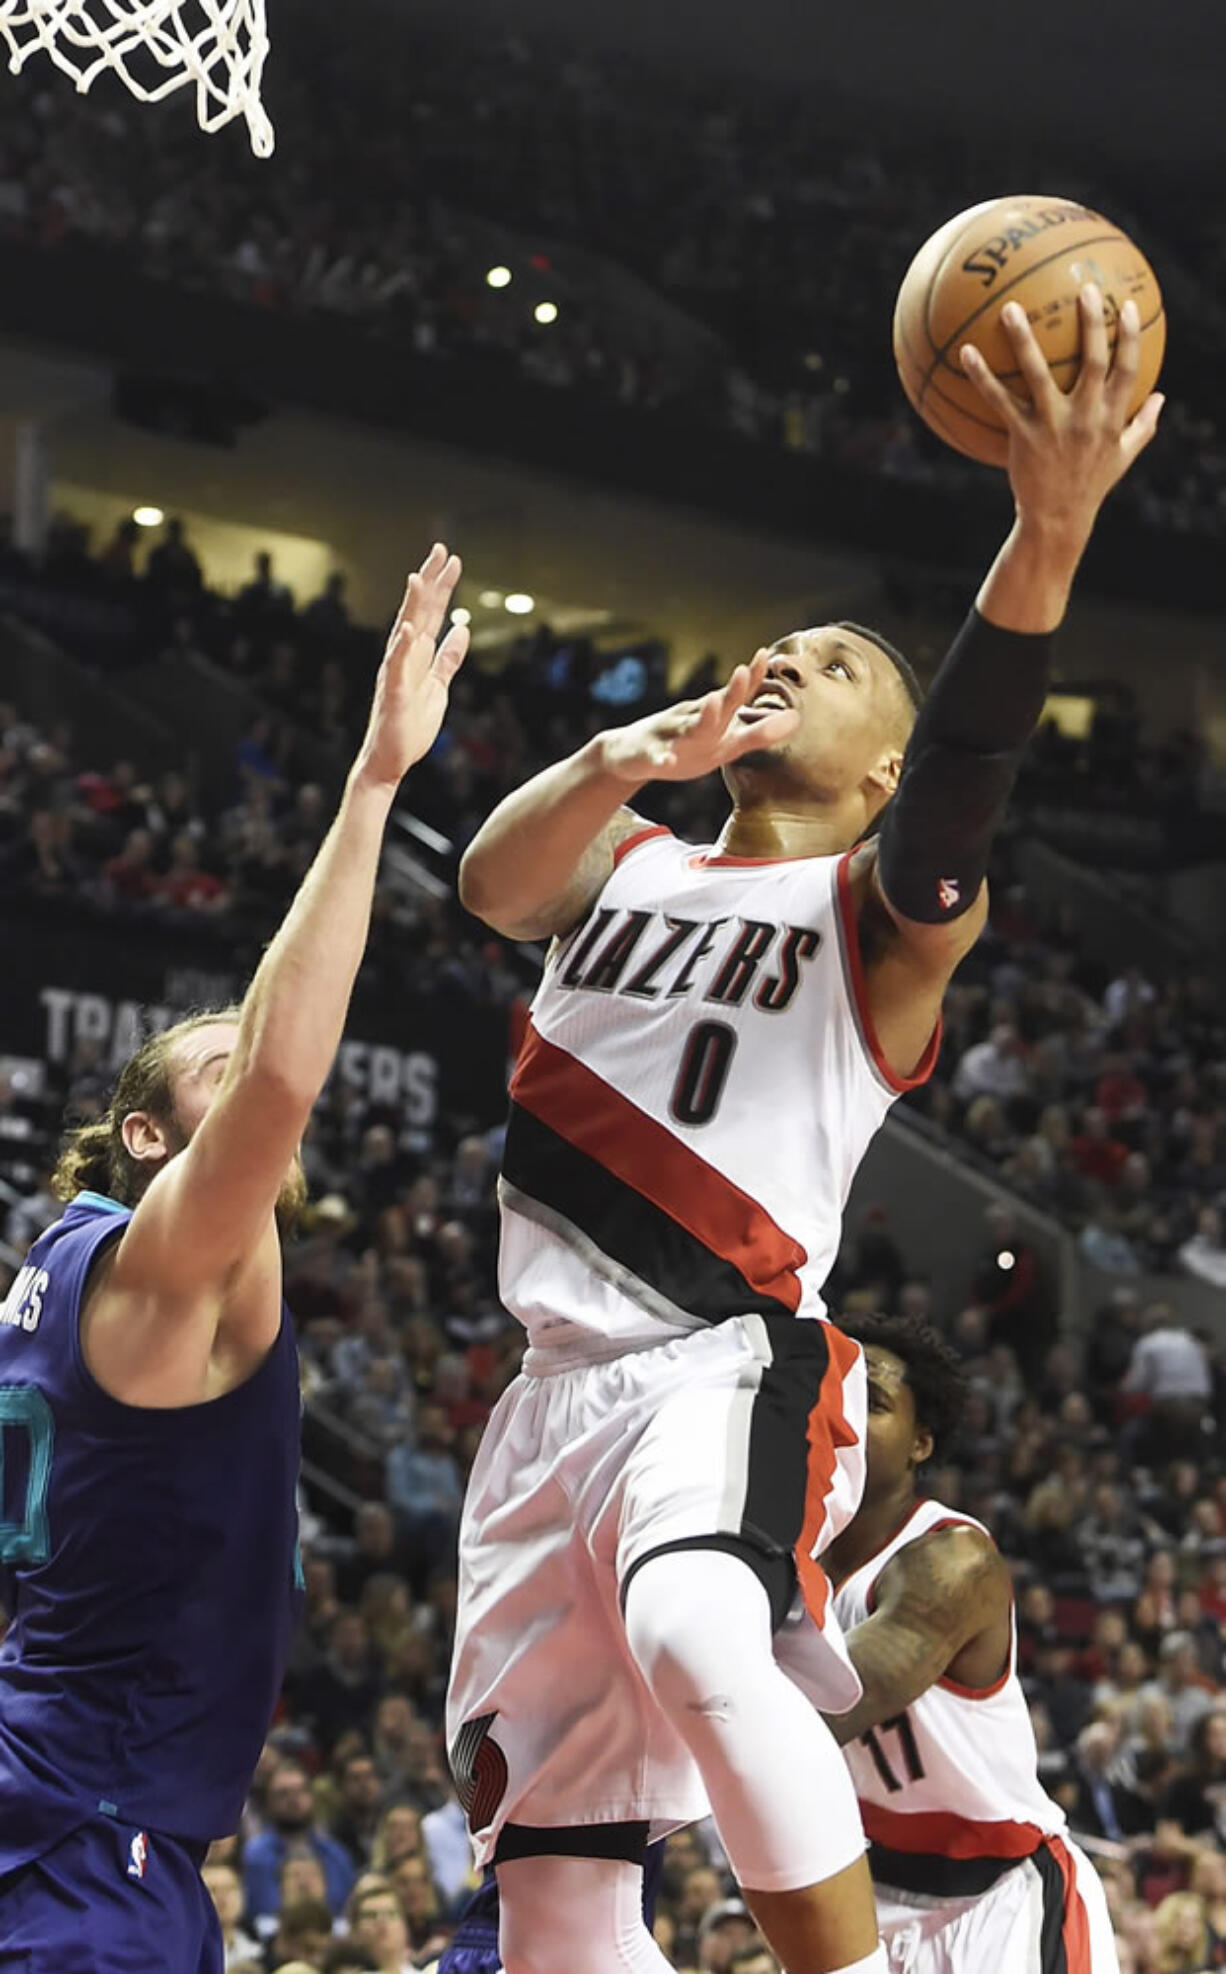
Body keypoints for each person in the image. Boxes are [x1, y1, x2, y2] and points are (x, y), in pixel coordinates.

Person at [448, 290, 1160, 1974]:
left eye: (836, 665)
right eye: (781, 646)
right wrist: (629, 752)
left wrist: (1038, 550)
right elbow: (491, 883)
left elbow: (967, 778)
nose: (789, 658)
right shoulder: (630, 860)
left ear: (882, 768)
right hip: (548, 1385)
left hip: (718, 1352)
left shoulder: (879, 908)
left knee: (708, 1622)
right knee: (553, 1867)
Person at [0, 543, 469, 1972]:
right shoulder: (150, 1273)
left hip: (72, 1799)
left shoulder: (62, 1271)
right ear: (144, 1136)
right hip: (86, 1843)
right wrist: (374, 783)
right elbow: (277, 1075)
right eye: (208, 1066)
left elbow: (258, 1042)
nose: (252, 1054)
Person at [821, 1312, 1118, 1971]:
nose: (841, 1412)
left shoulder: (951, 1561)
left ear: (920, 1443)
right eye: (830, 1389)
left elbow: (822, 1714)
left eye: (870, 1401)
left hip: (999, 1898)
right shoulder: (788, 1553)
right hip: (873, 1891)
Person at [243, 1761, 357, 1928]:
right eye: (283, 1793)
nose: (293, 1799)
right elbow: (264, 1910)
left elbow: (346, 1908)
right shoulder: (255, 1855)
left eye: (300, 1790)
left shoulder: (336, 1853)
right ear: (268, 1802)